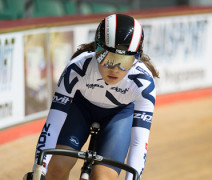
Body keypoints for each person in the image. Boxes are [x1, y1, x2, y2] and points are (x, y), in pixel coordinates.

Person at [24, 13, 159, 180]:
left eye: (124, 62)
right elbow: (53, 124)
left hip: (119, 115)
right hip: (81, 109)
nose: (115, 69)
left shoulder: (144, 82)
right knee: (57, 167)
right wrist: (39, 169)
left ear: (136, 59)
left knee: (103, 178)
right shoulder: (78, 68)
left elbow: (139, 142)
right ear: (97, 50)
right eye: (108, 58)